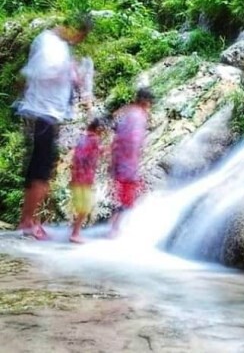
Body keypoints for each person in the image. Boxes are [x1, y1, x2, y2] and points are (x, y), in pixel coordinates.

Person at [16, 18, 92, 240]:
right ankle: (27, 221)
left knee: (38, 168)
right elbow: (42, 71)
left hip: (48, 113)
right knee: (41, 171)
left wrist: (74, 75)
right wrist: (69, 70)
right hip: (43, 113)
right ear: (70, 28)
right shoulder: (50, 43)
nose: (77, 40)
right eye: (78, 35)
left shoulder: (57, 44)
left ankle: (26, 220)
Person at [108, 87, 154, 237]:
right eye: (150, 103)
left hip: (121, 160)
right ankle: (114, 229)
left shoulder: (128, 112)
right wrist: (131, 165)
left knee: (126, 196)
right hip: (128, 163)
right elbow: (133, 141)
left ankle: (115, 227)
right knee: (128, 198)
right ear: (145, 102)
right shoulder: (138, 115)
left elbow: (118, 136)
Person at [69, 117, 105, 244]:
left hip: (76, 178)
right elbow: (98, 153)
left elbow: (77, 157)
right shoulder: (94, 140)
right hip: (84, 179)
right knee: (85, 207)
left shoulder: (82, 138)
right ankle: (75, 234)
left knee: (81, 207)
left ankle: (74, 231)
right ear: (98, 129)